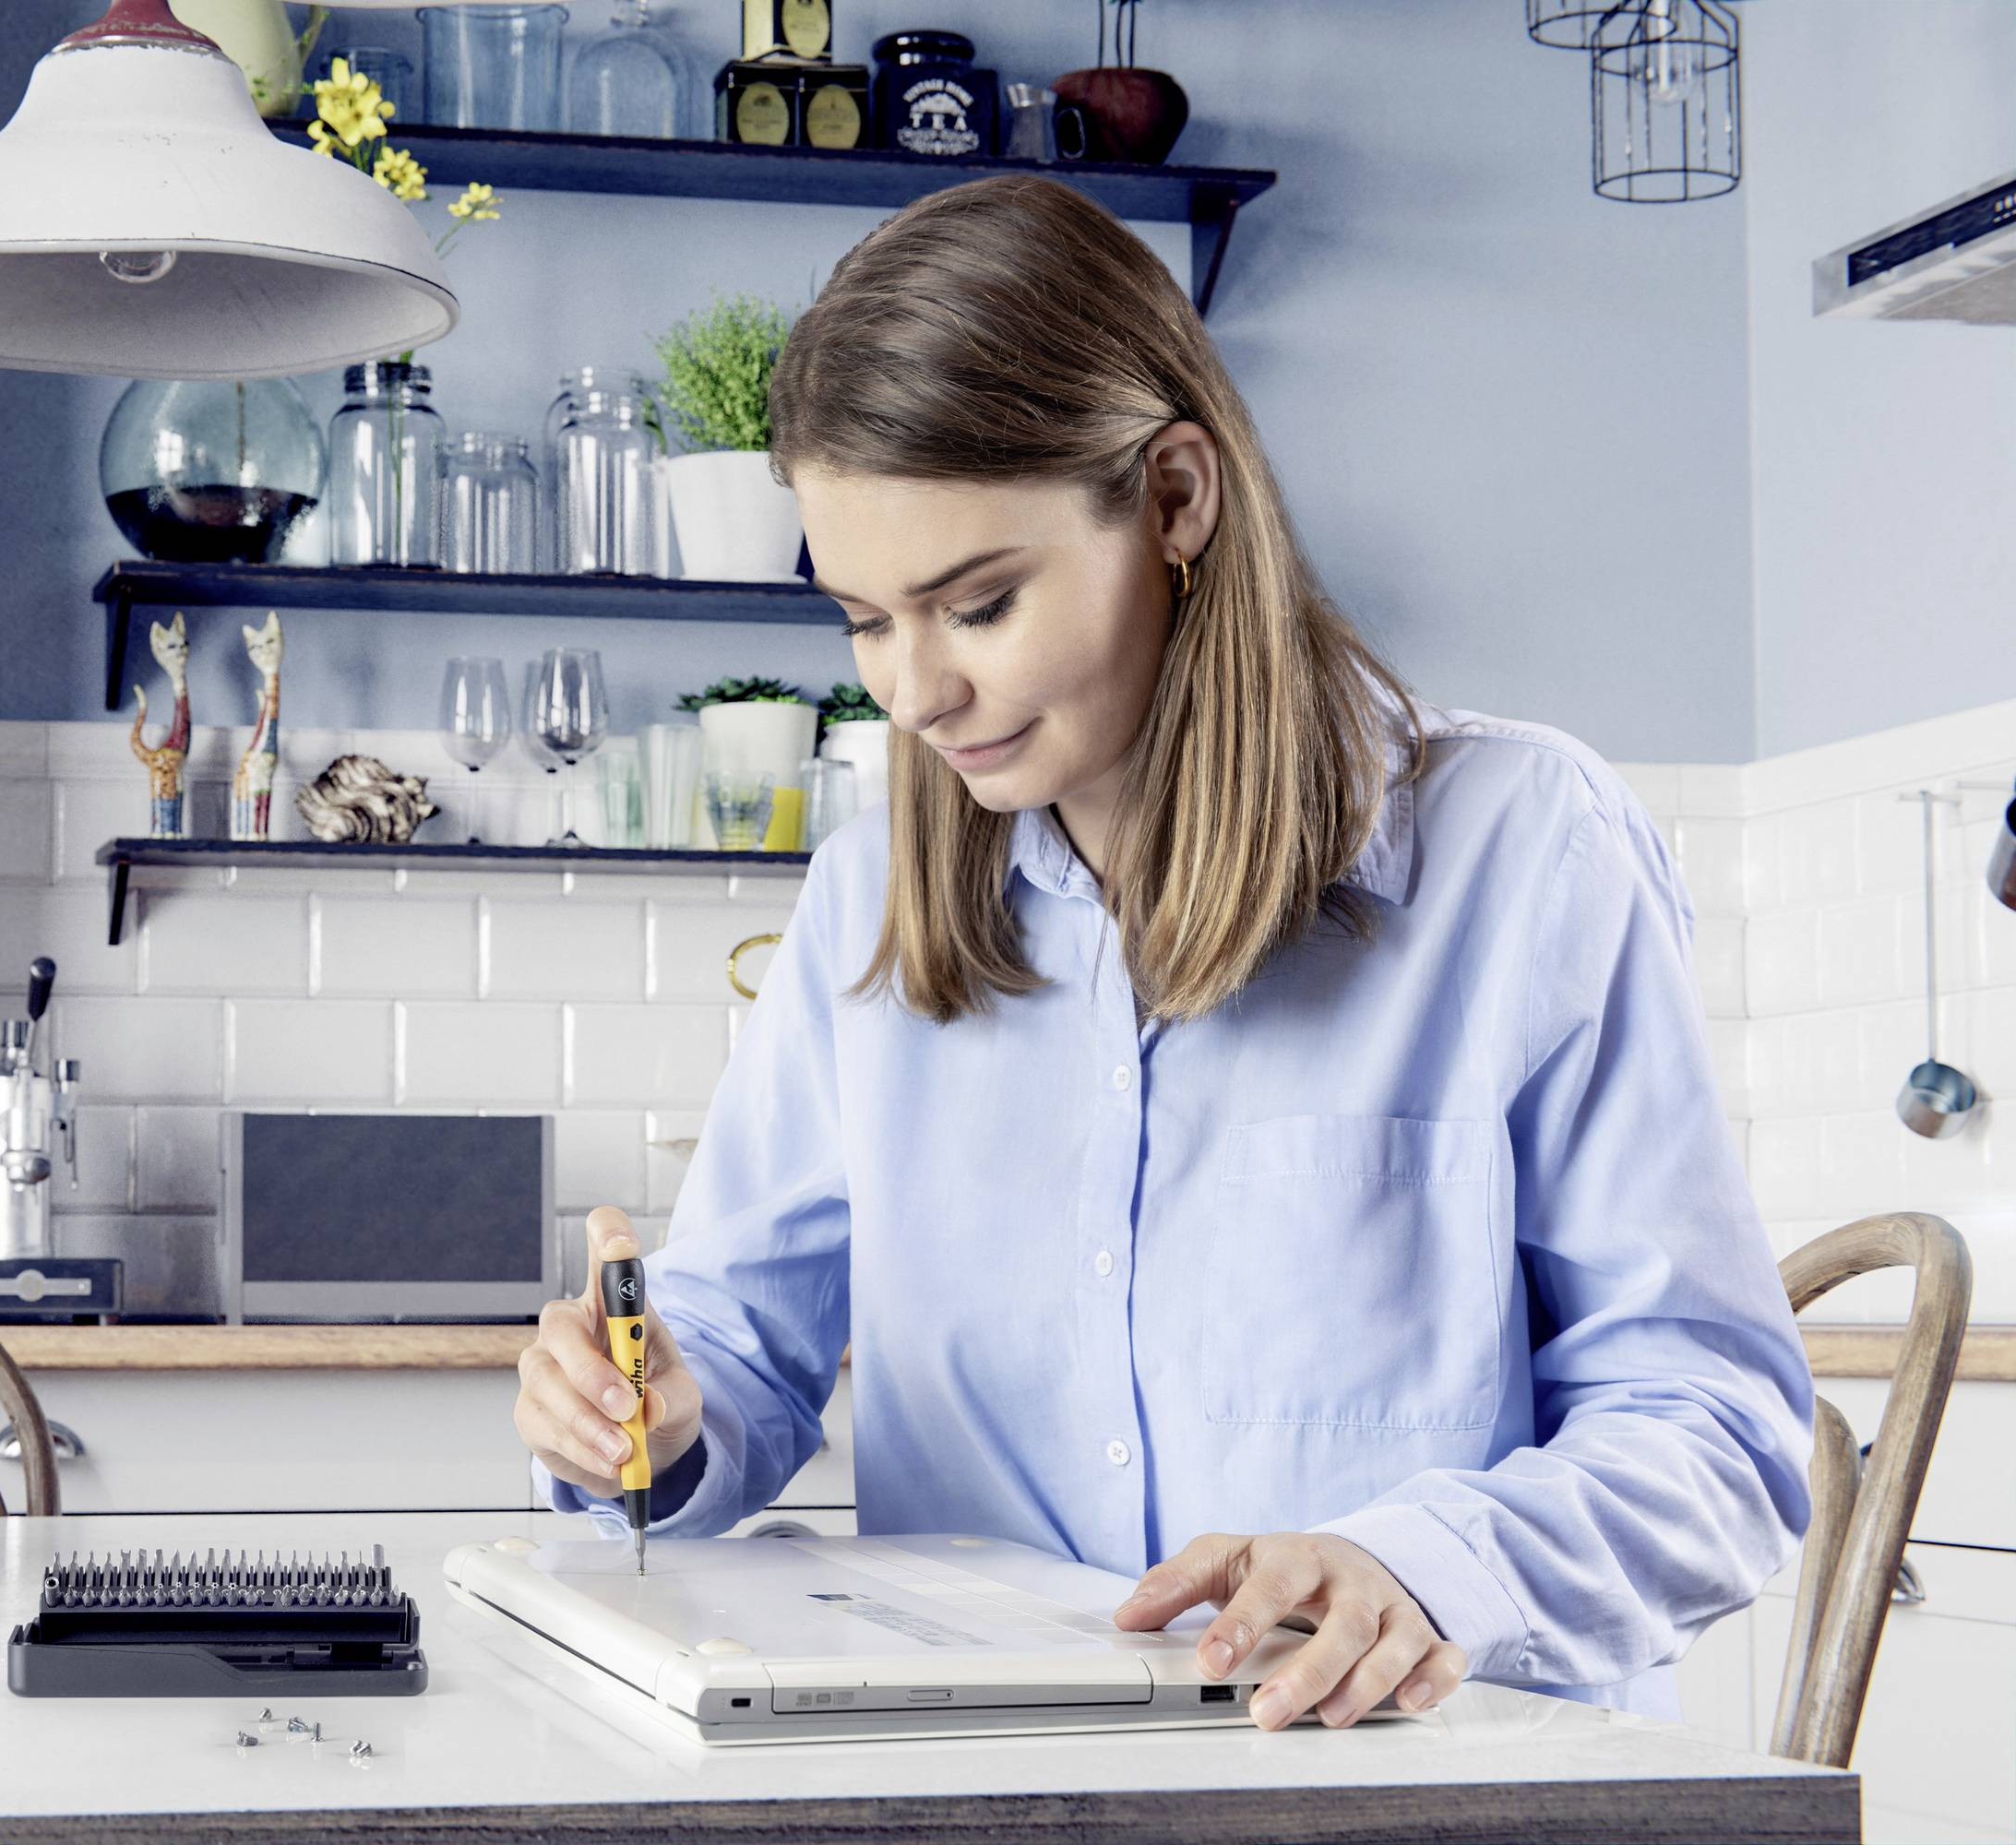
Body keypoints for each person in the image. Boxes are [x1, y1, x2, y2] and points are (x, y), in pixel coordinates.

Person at [513, 175, 1812, 1729]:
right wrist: (645, 1416)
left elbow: (1716, 1438)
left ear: (1178, 500)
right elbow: (738, 1345)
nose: (914, 693)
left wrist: (1427, 1566)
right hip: (994, 1785)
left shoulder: (1526, 851)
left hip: (1417, 1790)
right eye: (864, 622)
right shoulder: (865, 910)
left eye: (977, 604)